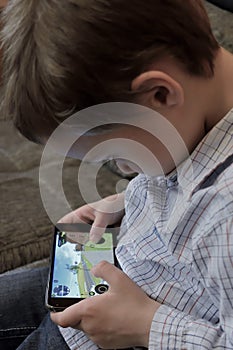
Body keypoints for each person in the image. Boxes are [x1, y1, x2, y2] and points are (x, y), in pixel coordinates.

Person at [0, 0, 233, 349]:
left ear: (160, 92)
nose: (124, 170)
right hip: (116, 268)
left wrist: (146, 326)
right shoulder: (191, 119)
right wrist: (127, 200)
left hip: (123, 331)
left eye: (116, 156)